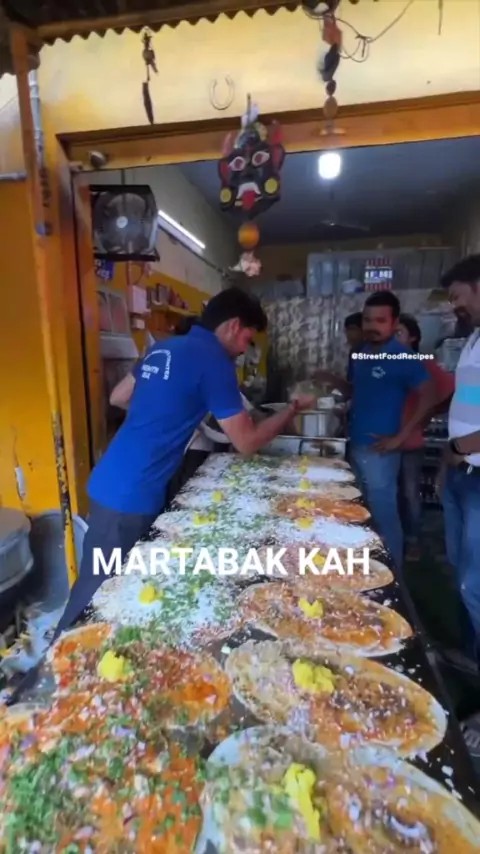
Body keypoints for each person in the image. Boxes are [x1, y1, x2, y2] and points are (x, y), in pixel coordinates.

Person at [53, 287, 315, 639]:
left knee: (115, 585)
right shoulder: (215, 362)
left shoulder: (162, 348)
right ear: (233, 326)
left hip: (109, 480)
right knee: (95, 594)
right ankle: (56, 659)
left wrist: (163, 417)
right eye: (247, 338)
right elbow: (246, 442)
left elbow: (118, 397)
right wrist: (292, 410)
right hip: (131, 496)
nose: (244, 349)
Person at [318, 291, 437, 571]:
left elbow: (430, 395)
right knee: (358, 512)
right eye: (368, 320)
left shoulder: (403, 356)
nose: (372, 326)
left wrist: (401, 437)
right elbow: (357, 390)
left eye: (380, 321)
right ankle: (367, 570)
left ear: (394, 323)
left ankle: (393, 576)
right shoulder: (360, 353)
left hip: (380, 451)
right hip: (355, 445)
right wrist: (333, 380)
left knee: (384, 516)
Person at [437, 256, 480, 674]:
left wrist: (458, 446)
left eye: (458, 296)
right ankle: (470, 654)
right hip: (461, 472)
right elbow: (467, 403)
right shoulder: (472, 341)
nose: (455, 306)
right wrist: (447, 464)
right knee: (463, 572)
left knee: (475, 584)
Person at [395, 314, 454, 561]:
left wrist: (427, 415)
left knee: (410, 493)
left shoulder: (423, 364)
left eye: (398, 333)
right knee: (392, 493)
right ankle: (394, 537)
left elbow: (450, 390)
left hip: (410, 442)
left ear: (413, 337)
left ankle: (413, 541)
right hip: (384, 442)